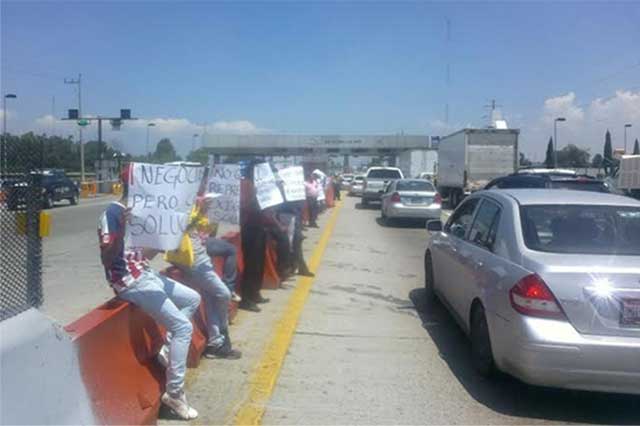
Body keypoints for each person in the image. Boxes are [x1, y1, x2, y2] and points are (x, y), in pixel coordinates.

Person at [98, 164, 200, 420]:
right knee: (183, 328)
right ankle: (175, 394)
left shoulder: (143, 212)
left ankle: (167, 349)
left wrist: (173, 232)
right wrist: (122, 227)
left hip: (145, 273)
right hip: (129, 280)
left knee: (192, 298)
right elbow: (107, 257)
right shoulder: (112, 213)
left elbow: (148, 254)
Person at [167, 193, 242, 360]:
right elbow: (181, 225)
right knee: (223, 293)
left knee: (211, 297)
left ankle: (216, 343)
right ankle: (221, 335)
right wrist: (200, 209)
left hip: (200, 256)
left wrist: (204, 210)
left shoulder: (192, 203)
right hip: (191, 259)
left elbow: (203, 227)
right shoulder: (173, 204)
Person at [238, 162, 270, 312]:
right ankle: (247, 298)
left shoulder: (260, 185)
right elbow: (243, 205)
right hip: (249, 228)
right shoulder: (246, 184)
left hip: (260, 227)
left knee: (259, 263)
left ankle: (255, 292)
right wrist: (257, 194)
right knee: (251, 264)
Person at [205, 236, 241, 303]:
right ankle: (229, 288)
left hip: (198, 240)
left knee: (225, 244)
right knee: (232, 250)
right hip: (197, 243)